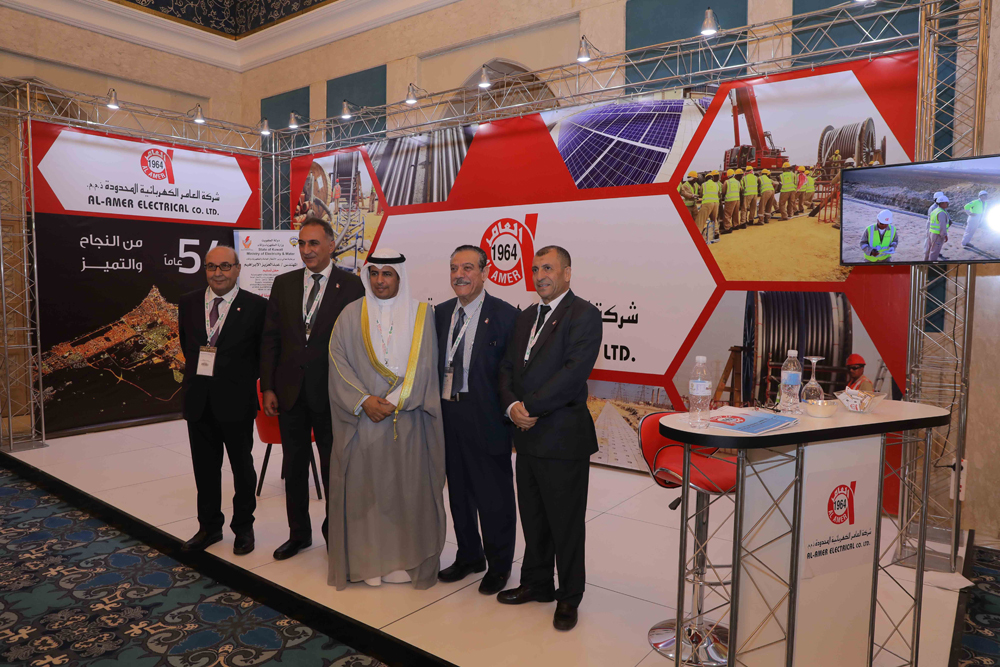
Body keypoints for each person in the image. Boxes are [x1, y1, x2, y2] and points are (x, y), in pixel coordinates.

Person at [327, 248, 446, 590]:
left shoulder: (422, 314)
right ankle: (367, 562)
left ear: (400, 277)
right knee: (365, 495)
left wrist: (393, 402)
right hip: (363, 420)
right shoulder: (350, 314)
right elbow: (337, 361)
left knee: (405, 493)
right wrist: (364, 400)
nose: (380, 280)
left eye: (387, 274)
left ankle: (403, 560)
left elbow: (426, 365)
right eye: (375, 273)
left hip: (407, 421)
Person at [497, 246, 602, 632]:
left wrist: (530, 407)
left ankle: (569, 596)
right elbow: (507, 366)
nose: (540, 275)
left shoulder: (584, 314)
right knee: (534, 517)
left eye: (548, 268)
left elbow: (573, 374)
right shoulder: (525, 316)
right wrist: (512, 406)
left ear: (567, 273)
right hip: (526, 436)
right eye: (535, 269)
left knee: (566, 523)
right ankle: (537, 583)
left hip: (562, 437)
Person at [260, 216, 365, 561]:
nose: (306, 250)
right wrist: (269, 387)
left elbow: (357, 344)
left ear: (331, 245)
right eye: (302, 243)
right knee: (294, 467)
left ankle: (335, 535)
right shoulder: (284, 283)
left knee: (334, 468)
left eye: (314, 243)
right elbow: (270, 339)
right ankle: (298, 534)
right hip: (290, 393)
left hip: (332, 393)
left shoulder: (352, 286)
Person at [435, 245, 519, 595]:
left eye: (468, 268)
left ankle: (499, 566)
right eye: (454, 268)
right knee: (458, 492)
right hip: (448, 412)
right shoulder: (440, 314)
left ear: (485, 273)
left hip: (487, 416)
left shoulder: (506, 316)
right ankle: (469, 555)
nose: (460, 275)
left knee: (493, 496)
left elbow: (512, 374)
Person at [178, 246, 267, 556]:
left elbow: (261, 355)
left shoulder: (256, 306)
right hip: (198, 399)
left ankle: (243, 528)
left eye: (225, 266)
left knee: (242, 469)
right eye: (211, 266)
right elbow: (187, 346)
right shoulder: (188, 302)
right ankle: (209, 527)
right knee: (204, 469)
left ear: (238, 268)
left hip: (236, 400)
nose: (218, 273)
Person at [924, 193, 951, 262]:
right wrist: (944, 235)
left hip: (932, 232)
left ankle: (926, 261)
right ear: (942, 203)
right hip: (938, 235)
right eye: (946, 203)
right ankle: (931, 265)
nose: (947, 204)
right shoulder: (941, 213)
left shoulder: (935, 211)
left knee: (929, 249)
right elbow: (942, 226)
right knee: (934, 252)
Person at [697, 171, 721, 244]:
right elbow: (718, 193)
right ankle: (716, 233)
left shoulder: (704, 184)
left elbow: (701, 194)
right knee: (714, 218)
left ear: (706, 179)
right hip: (716, 203)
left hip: (707, 202)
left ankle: (697, 234)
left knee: (701, 219)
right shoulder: (716, 184)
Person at [722, 169, 741, 234]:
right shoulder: (737, 182)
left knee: (727, 214)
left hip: (729, 200)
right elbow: (740, 189)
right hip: (737, 199)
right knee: (735, 213)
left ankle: (727, 228)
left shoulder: (727, 182)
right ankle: (736, 225)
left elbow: (723, 191)